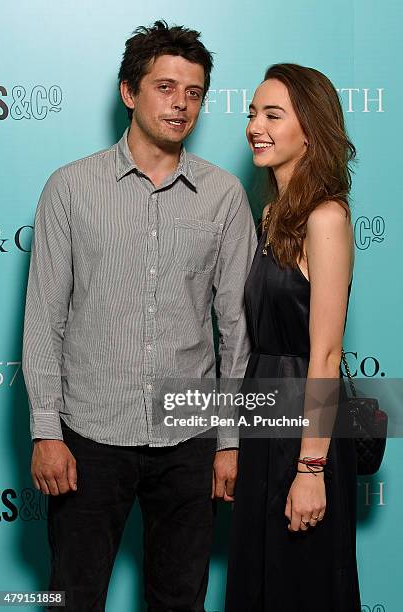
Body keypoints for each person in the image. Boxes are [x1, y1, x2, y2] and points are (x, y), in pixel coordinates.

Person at [22, 21, 256, 612]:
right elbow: (44, 318)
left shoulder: (226, 195)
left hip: (191, 435)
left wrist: (229, 440)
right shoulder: (70, 188)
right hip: (89, 434)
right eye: (165, 87)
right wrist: (47, 431)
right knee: (72, 597)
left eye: (194, 93)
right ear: (129, 92)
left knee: (180, 599)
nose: (180, 104)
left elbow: (236, 330)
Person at [225, 63, 361, 611]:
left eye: (273, 114)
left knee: (299, 583)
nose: (256, 125)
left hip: (306, 429)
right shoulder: (273, 214)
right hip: (264, 416)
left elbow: (325, 352)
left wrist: (311, 469)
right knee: (258, 582)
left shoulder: (326, 217)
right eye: (253, 113)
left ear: (311, 128)